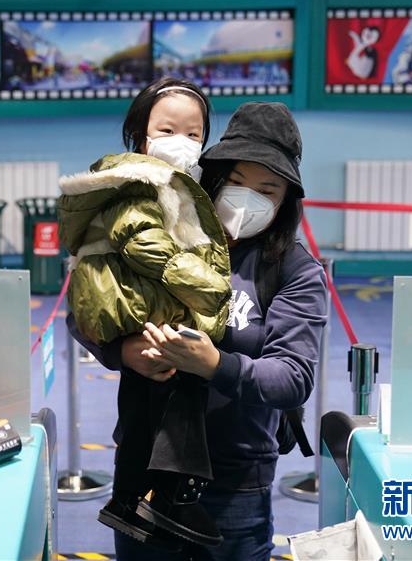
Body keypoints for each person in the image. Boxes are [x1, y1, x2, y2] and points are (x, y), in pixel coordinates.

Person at [70, 101, 327, 561]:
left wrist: (215, 365)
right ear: (215, 178)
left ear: (286, 200)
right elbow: (86, 309)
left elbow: (292, 377)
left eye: (267, 189)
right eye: (236, 182)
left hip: (236, 483)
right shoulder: (164, 234)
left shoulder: (293, 269)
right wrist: (124, 352)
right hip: (144, 470)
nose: (247, 199)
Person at [59, 77, 233, 550]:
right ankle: (169, 495)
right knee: (173, 399)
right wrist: (207, 284)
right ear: (141, 135)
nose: (182, 142)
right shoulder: (138, 182)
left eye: (194, 134)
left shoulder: (178, 186)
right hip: (140, 309)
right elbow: (141, 241)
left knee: (150, 408)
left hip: (149, 309)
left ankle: (132, 497)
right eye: (167, 130)